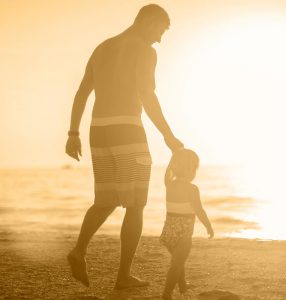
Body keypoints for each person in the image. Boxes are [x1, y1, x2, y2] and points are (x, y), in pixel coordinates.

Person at [65, 4, 183, 289]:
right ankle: (123, 277)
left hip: (98, 131)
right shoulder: (145, 50)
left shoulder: (102, 47)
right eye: (160, 30)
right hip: (128, 130)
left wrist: (72, 133)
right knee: (136, 204)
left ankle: (78, 251)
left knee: (105, 200)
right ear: (149, 21)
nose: (159, 39)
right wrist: (168, 135)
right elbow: (147, 95)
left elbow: (82, 92)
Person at [160, 149, 214, 300]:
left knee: (179, 260)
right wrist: (208, 226)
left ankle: (182, 285)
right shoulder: (192, 189)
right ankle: (166, 294)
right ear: (191, 170)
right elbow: (199, 210)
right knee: (176, 264)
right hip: (183, 234)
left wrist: (173, 156)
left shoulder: (169, 184)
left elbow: (167, 172)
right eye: (195, 169)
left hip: (168, 232)